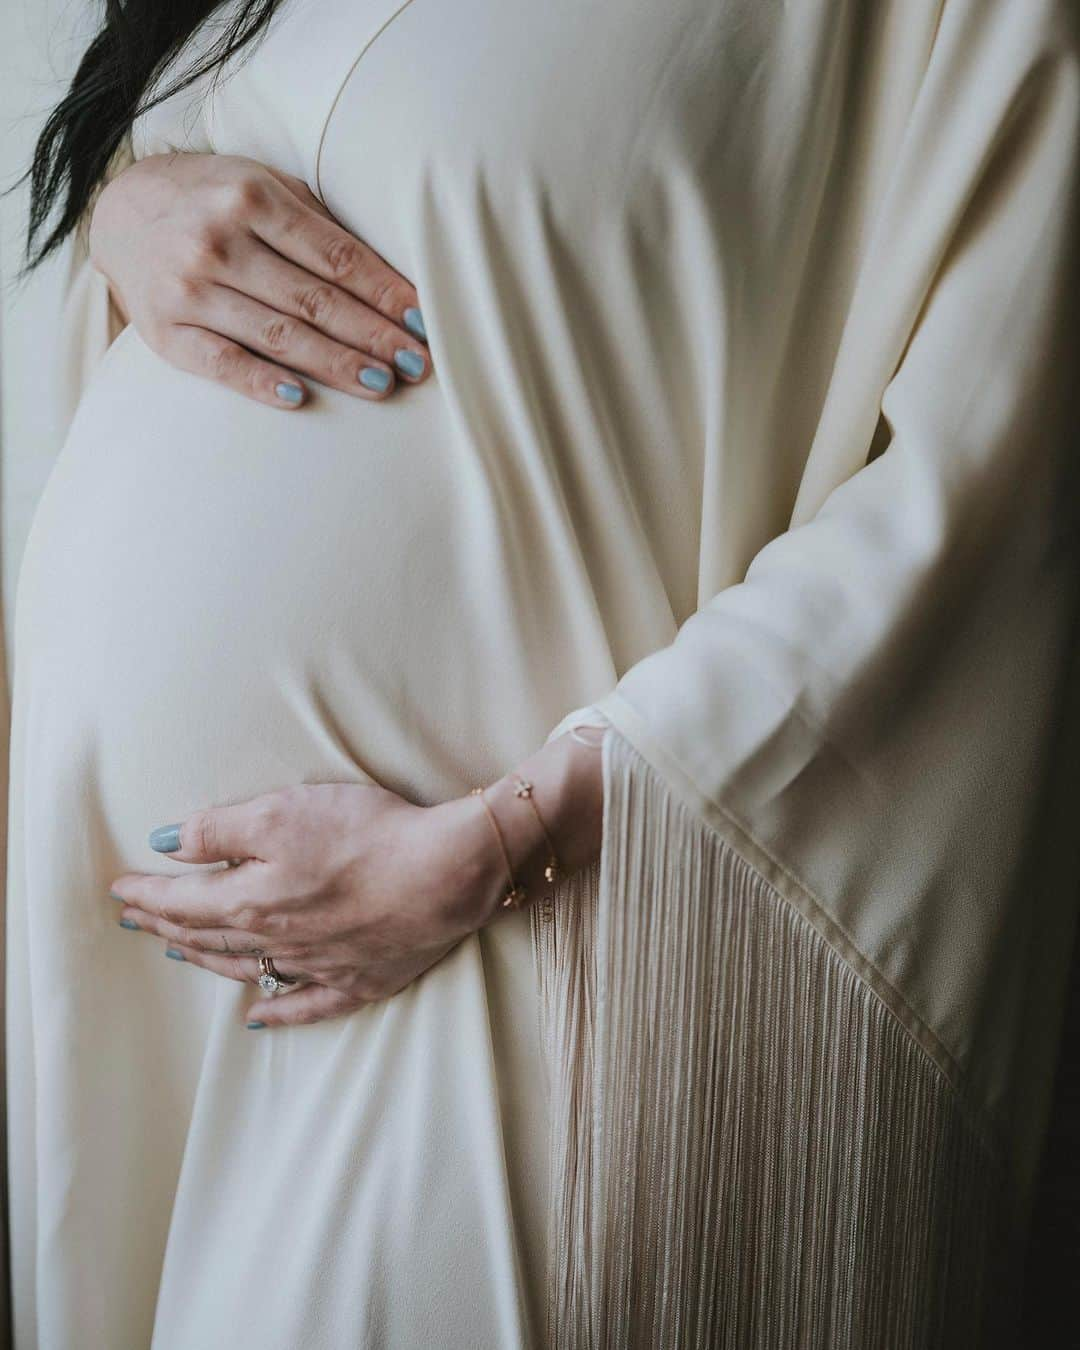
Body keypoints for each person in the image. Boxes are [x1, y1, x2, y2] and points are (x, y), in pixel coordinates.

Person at [6, 0, 1080, 1345]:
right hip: (139, 966)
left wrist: (519, 833)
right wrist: (127, 208)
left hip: (506, 929)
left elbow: (994, 479)